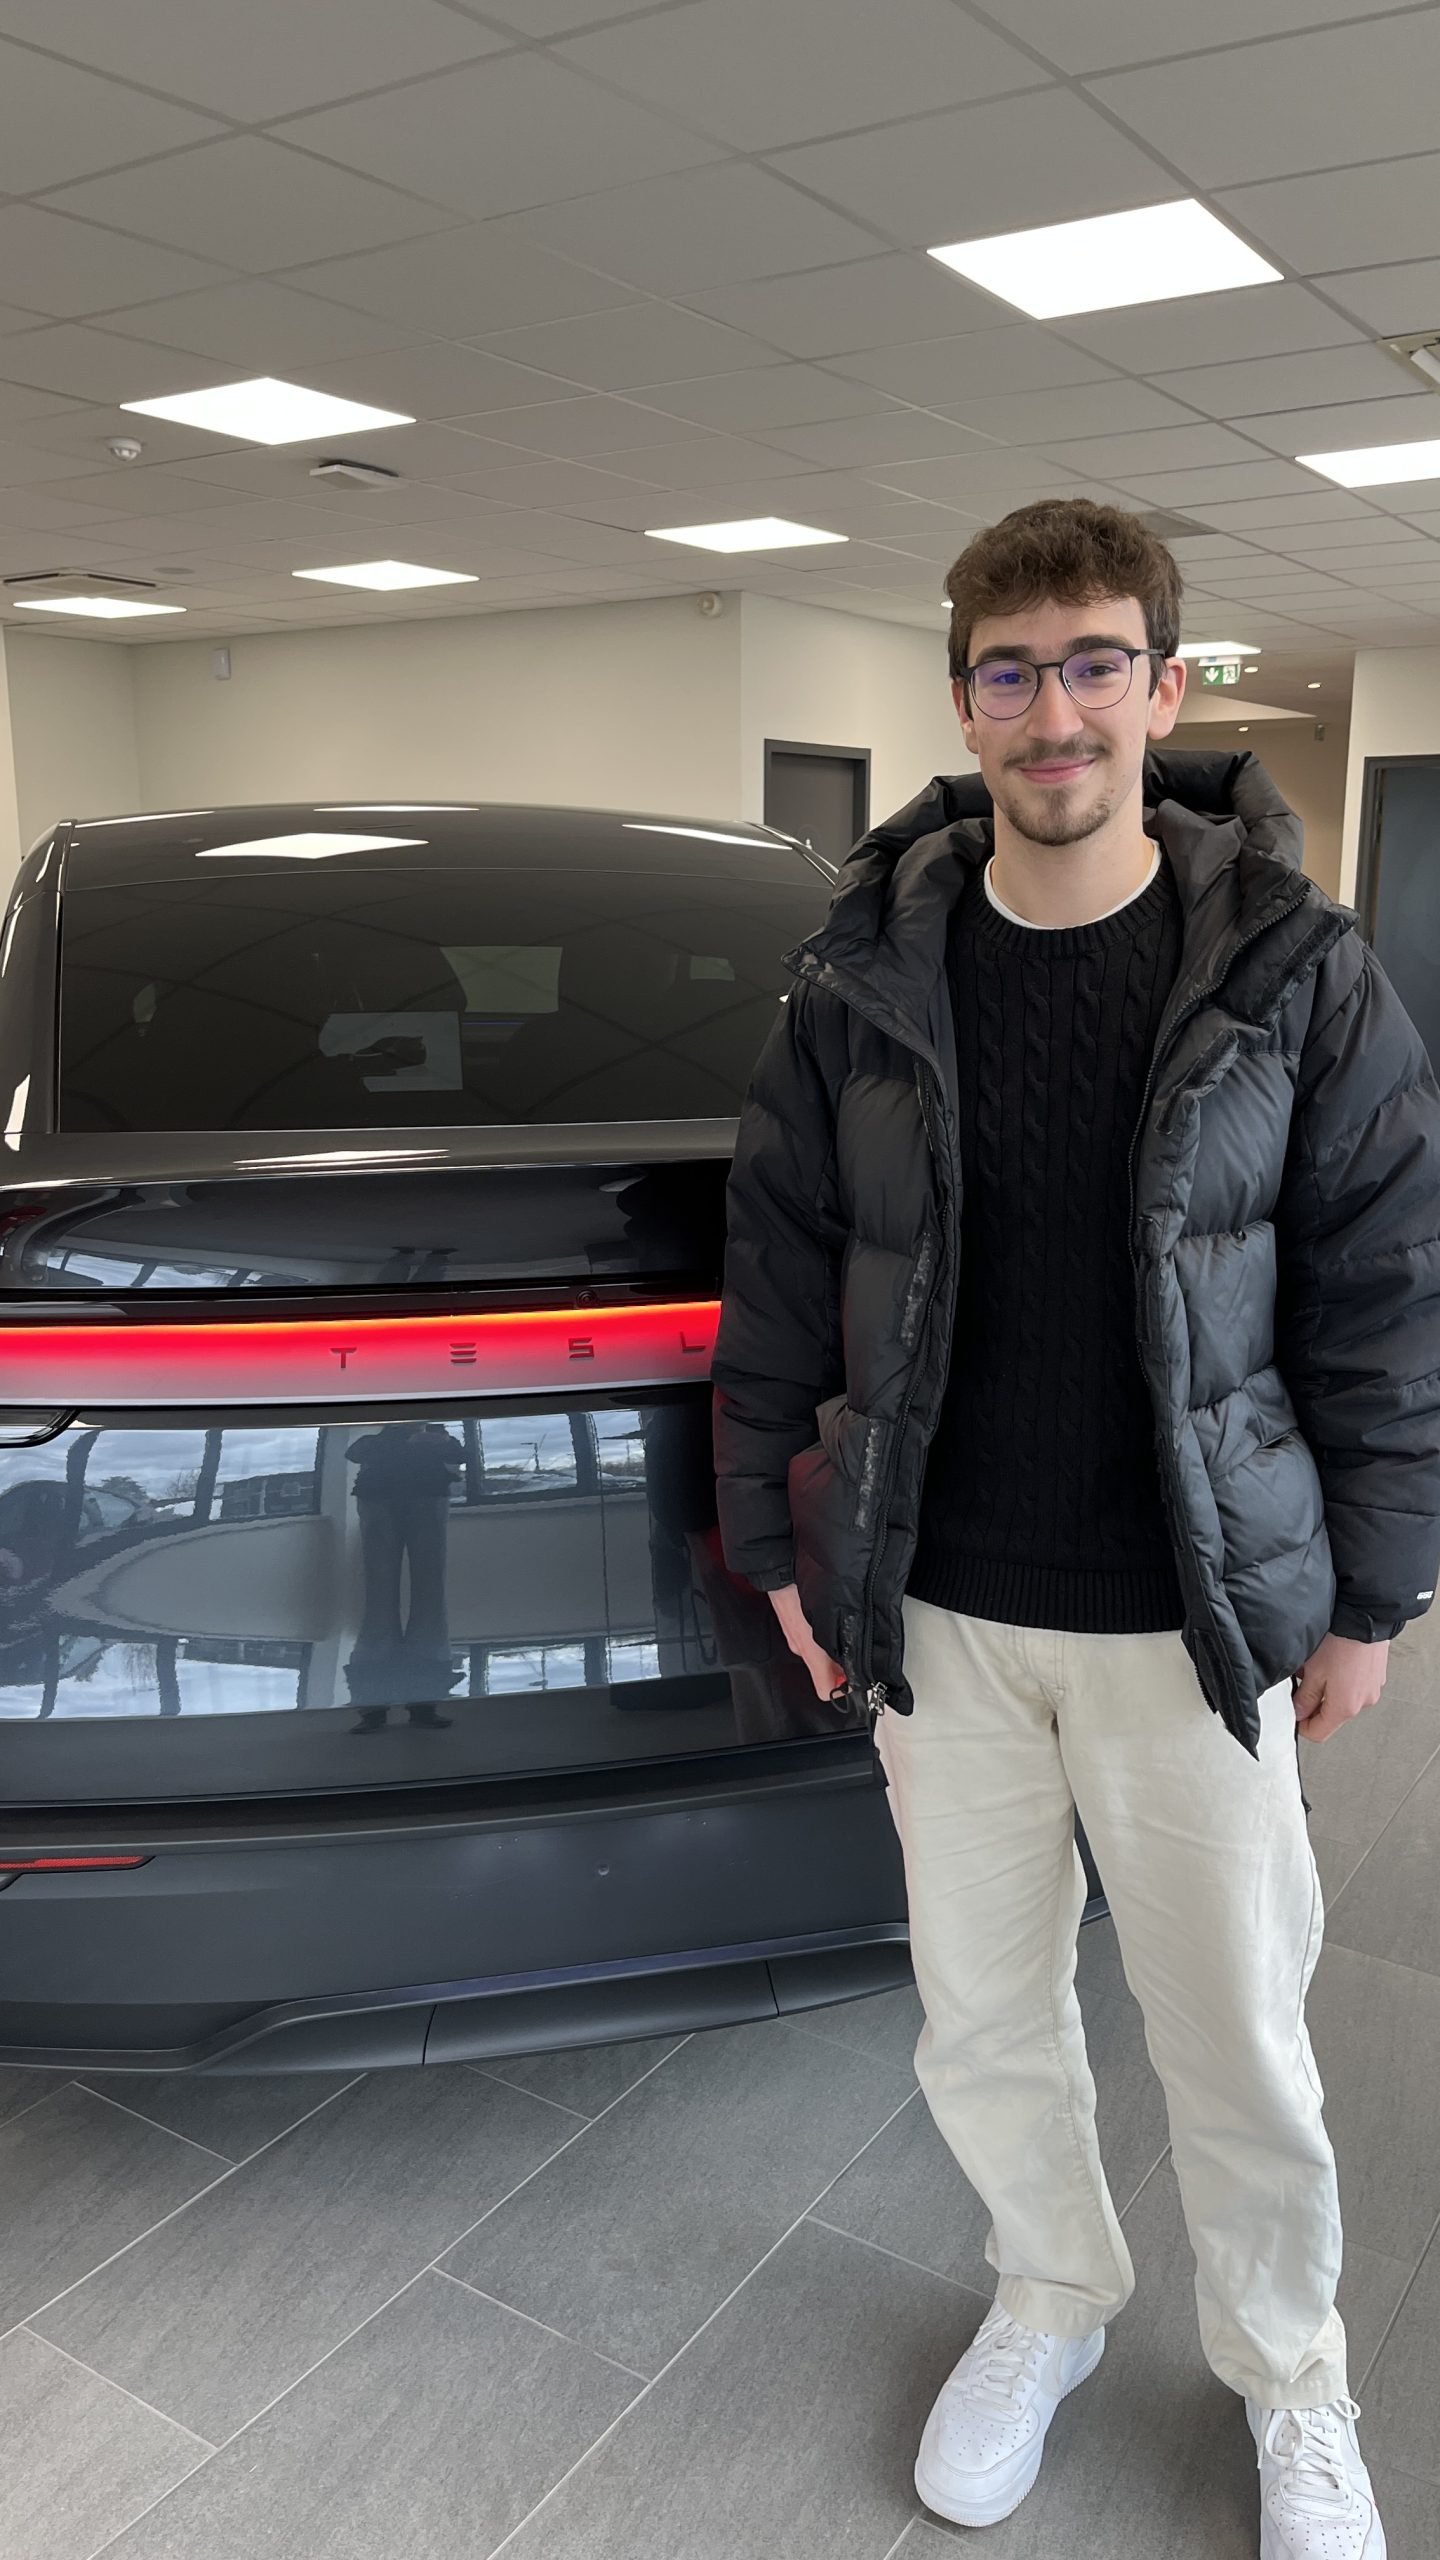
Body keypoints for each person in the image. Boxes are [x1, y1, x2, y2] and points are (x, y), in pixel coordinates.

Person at [712, 498, 1440, 2558]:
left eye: (1096, 658)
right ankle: (1050, 2292)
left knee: (1239, 2037)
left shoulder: (1297, 969)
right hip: (942, 1606)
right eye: (1014, 670)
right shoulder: (863, 978)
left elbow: (1388, 1288)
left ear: (1165, 683)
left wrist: (1375, 1587)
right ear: (963, 700)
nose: (1056, 709)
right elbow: (780, 1258)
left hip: (1179, 1617)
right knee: (984, 2015)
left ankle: (1299, 2378)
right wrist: (784, 1540)